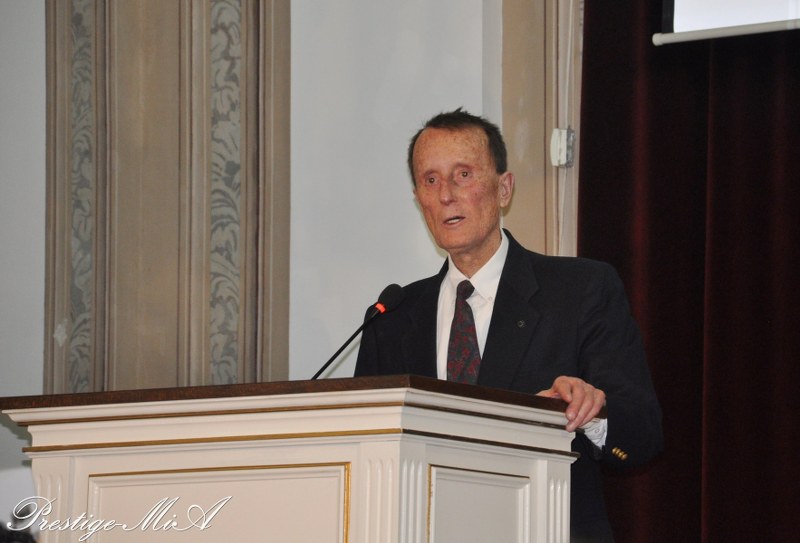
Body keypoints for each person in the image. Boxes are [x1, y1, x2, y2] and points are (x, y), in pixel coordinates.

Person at [354, 108, 663, 541]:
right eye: (431, 180)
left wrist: (593, 412)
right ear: (418, 198)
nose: (446, 195)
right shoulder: (392, 317)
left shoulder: (579, 291)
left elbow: (642, 436)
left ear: (503, 189)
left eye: (463, 175)